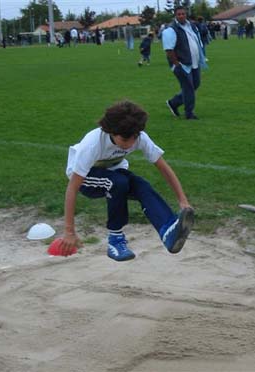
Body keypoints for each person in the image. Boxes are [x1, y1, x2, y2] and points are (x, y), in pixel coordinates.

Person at [59, 100, 195, 260]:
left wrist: (183, 201)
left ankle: (168, 229)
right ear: (110, 132)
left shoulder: (139, 137)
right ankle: (115, 240)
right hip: (86, 179)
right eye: (124, 140)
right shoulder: (92, 144)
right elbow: (73, 187)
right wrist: (69, 232)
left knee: (141, 185)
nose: (130, 144)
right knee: (117, 182)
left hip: (114, 173)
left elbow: (163, 167)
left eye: (134, 139)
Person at [162, 6, 206, 120]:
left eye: (183, 14)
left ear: (186, 14)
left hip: (194, 62)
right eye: (179, 14)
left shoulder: (191, 26)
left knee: (195, 84)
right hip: (182, 64)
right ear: (175, 16)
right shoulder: (171, 30)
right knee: (188, 87)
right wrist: (177, 64)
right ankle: (189, 113)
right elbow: (169, 50)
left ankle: (173, 103)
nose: (181, 16)